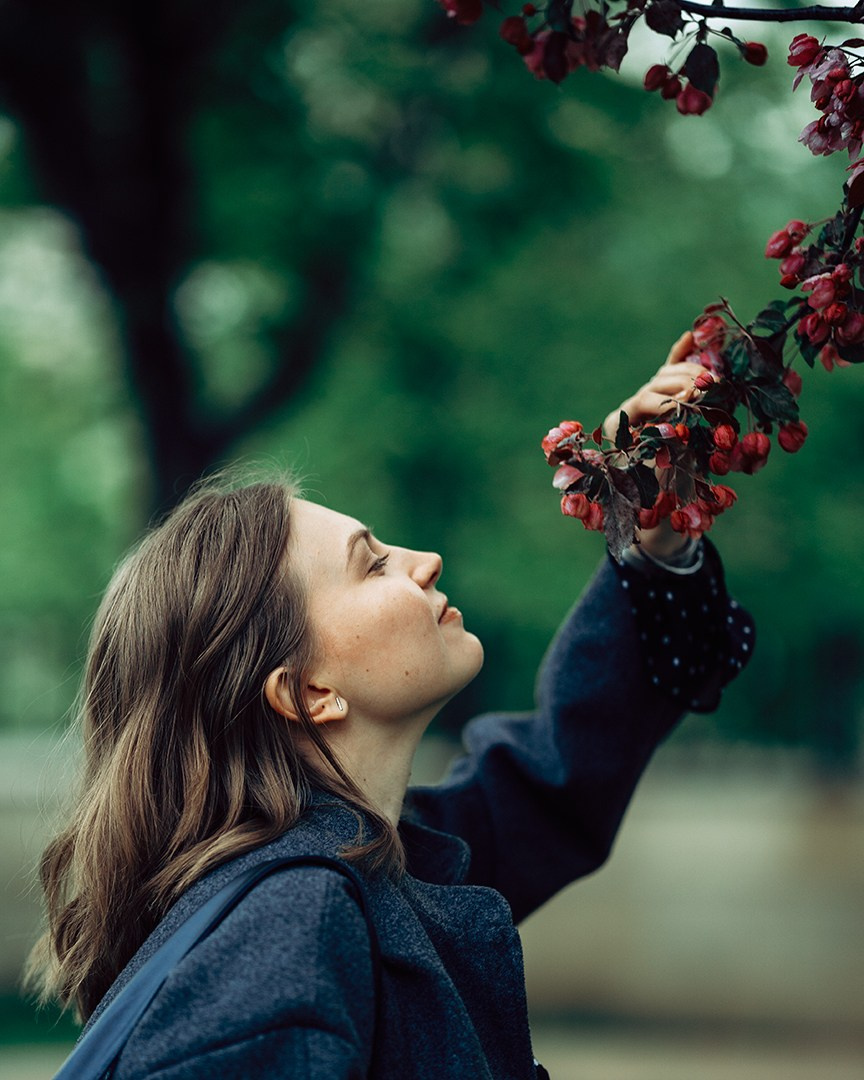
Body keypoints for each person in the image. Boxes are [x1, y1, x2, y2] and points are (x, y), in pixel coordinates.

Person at [28, 334, 753, 1079]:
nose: (425, 560)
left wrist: (650, 537)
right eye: (372, 564)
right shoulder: (289, 926)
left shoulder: (369, 862)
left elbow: (550, 784)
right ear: (307, 692)